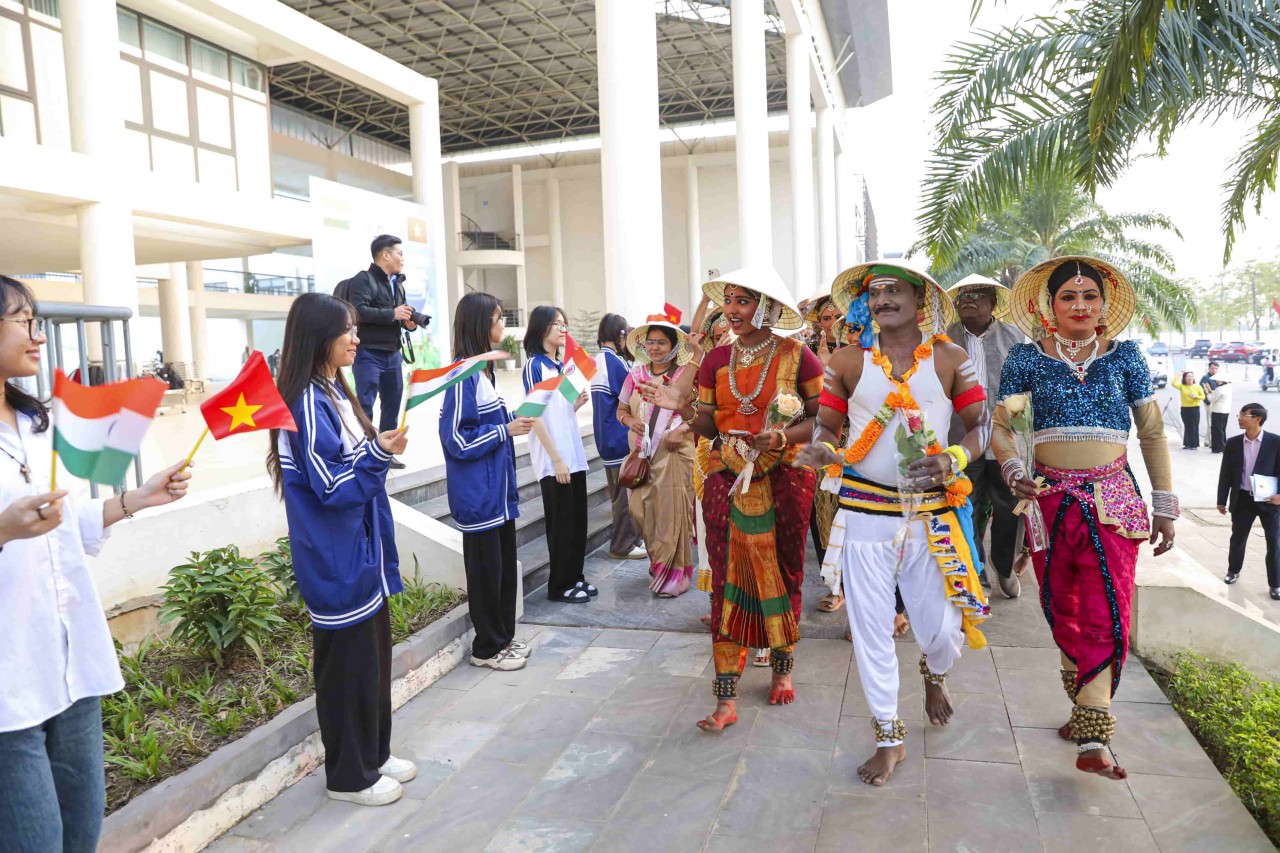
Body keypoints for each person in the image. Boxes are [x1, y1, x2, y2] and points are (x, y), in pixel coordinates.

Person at [0, 275, 193, 850]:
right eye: (24, 321)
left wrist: (135, 499)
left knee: (81, 834)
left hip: (70, 663)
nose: (39, 335)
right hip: (10, 684)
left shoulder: (37, 424)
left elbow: (65, 526)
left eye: (38, 321)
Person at [795, 261, 991, 787]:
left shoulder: (950, 358)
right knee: (871, 631)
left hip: (933, 516)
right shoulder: (845, 361)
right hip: (864, 514)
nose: (882, 299)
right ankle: (889, 737)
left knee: (942, 631)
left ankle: (936, 672)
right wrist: (823, 451)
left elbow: (979, 428)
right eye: (874, 292)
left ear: (920, 299)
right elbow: (829, 428)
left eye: (894, 290)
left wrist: (954, 459)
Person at [993, 256, 1178, 781]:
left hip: (1112, 502)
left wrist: (1163, 503)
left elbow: (1152, 434)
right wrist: (1012, 470)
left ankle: (1096, 731)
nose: (1080, 305)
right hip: (1047, 501)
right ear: (1049, 307)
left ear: (1104, 306)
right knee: (1060, 608)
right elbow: (1001, 428)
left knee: (1104, 608)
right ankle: (1083, 705)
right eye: (1068, 297)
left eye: (1089, 297)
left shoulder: (1127, 358)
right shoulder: (1025, 360)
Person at [641, 267, 823, 729]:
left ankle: (783, 668)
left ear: (765, 307)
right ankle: (726, 698)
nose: (732, 311)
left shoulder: (798, 357)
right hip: (725, 478)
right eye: (729, 301)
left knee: (785, 570)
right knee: (725, 580)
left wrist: (780, 441)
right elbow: (705, 422)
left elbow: (822, 421)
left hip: (784, 479)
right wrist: (677, 407)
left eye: (742, 301)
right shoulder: (715, 360)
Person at [266, 292, 414, 807]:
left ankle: (374, 752)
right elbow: (330, 486)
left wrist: (380, 447)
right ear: (317, 338)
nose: (356, 338)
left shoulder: (333, 390)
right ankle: (349, 776)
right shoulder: (306, 401)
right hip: (335, 557)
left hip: (361, 550)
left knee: (372, 659)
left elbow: (355, 464)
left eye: (355, 328)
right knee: (346, 668)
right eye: (346, 330)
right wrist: (377, 453)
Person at [945, 274, 1027, 599]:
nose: (969, 300)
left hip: (1006, 442)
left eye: (978, 295)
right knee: (965, 505)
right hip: (961, 439)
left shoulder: (1014, 338)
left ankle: (1003, 565)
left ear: (994, 304)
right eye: (963, 295)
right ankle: (975, 572)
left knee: (1011, 508)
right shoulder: (943, 341)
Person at [618, 314, 697, 597]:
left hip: (675, 451)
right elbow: (621, 411)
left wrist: (683, 428)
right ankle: (659, 562)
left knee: (671, 514)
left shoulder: (684, 374)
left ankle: (675, 574)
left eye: (662, 342)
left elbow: (698, 413)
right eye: (650, 342)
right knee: (640, 512)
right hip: (642, 453)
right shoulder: (635, 375)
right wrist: (630, 423)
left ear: (674, 346)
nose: (655, 347)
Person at [522, 305, 594, 604]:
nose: (563, 329)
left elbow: (558, 413)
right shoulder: (535, 366)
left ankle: (575, 577)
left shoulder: (558, 366)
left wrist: (575, 405)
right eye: (556, 324)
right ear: (541, 330)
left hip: (572, 455)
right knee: (562, 526)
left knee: (577, 523)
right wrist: (556, 459)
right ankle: (560, 585)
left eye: (565, 324)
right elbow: (533, 416)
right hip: (555, 460)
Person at [346, 235, 428, 469]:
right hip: (368, 353)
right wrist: (392, 314)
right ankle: (361, 451)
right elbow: (358, 311)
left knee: (392, 406)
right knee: (365, 404)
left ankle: (386, 453)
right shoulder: (363, 279)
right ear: (385, 255)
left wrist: (408, 323)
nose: (403, 259)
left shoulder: (398, 285)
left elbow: (398, 316)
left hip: (393, 354)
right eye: (400, 253)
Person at [803, 293, 848, 613]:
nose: (831, 324)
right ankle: (835, 584)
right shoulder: (807, 355)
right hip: (822, 445)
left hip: (857, 445)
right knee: (822, 518)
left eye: (836, 317)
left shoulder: (864, 353)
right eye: (825, 318)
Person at [592, 313, 645, 560]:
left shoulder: (600, 360)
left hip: (608, 436)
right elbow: (632, 394)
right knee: (625, 495)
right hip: (617, 435)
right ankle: (622, 544)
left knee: (623, 492)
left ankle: (631, 539)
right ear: (620, 335)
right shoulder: (612, 361)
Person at [1217, 403, 1280, 600]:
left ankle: (1276, 584)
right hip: (1243, 498)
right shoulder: (1234, 443)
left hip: (1269, 501)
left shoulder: (1275, 442)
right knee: (1238, 537)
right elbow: (1225, 472)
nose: (1239, 418)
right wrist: (1221, 499)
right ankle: (1233, 570)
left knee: (1274, 542)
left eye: (1244, 414)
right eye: (1240, 414)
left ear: (1257, 419)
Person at [1172, 370, 1206, 449]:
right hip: (1185, 408)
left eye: (1191, 376)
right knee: (1187, 425)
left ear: (1193, 378)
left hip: (1194, 408)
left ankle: (1194, 444)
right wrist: (1179, 375)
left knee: (1194, 426)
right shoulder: (1182, 386)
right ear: (1185, 378)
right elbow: (1173, 383)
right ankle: (1187, 443)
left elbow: (1203, 396)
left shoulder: (1197, 386)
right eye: (1188, 376)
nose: (1190, 378)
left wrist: (1196, 397)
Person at [1201, 362, 1228, 453]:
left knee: (1215, 425)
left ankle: (1208, 440)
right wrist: (1207, 401)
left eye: (1216, 368)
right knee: (1210, 422)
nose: (1214, 370)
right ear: (1209, 368)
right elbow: (1203, 391)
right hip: (1210, 402)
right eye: (1212, 368)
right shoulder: (1206, 378)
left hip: (1216, 402)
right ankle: (1209, 441)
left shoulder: (1220, 379)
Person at [1207, 374, 1233, 453]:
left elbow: (1212, 399)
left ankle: (1218, 447)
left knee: (1217, 430)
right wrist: (1212, 391)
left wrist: (1207, 393)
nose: (1216, 382)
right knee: (1222, 429)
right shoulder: (1229, 387)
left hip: (1218, 411)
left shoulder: (1219, 389)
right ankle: (1223, 445)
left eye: (1217, 380)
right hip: (1226, 410)